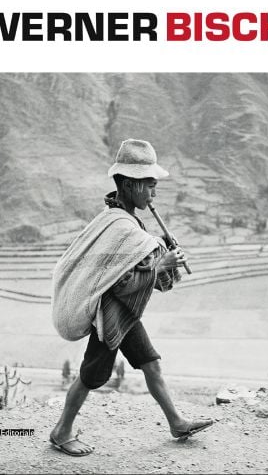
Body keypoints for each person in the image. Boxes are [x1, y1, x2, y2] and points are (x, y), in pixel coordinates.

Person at [50, 139, 213, 456]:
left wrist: (161, 249)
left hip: (125, 315)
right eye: (149, 186)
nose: (154, 194)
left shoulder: (124, 223)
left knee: (151, 364)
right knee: (91, 376)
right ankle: (61, 431)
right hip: (109, 319)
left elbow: (141, 275)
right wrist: (161, 263)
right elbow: (121, 285)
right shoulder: (120, 228)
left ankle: (177, 421)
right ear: (128, 184)